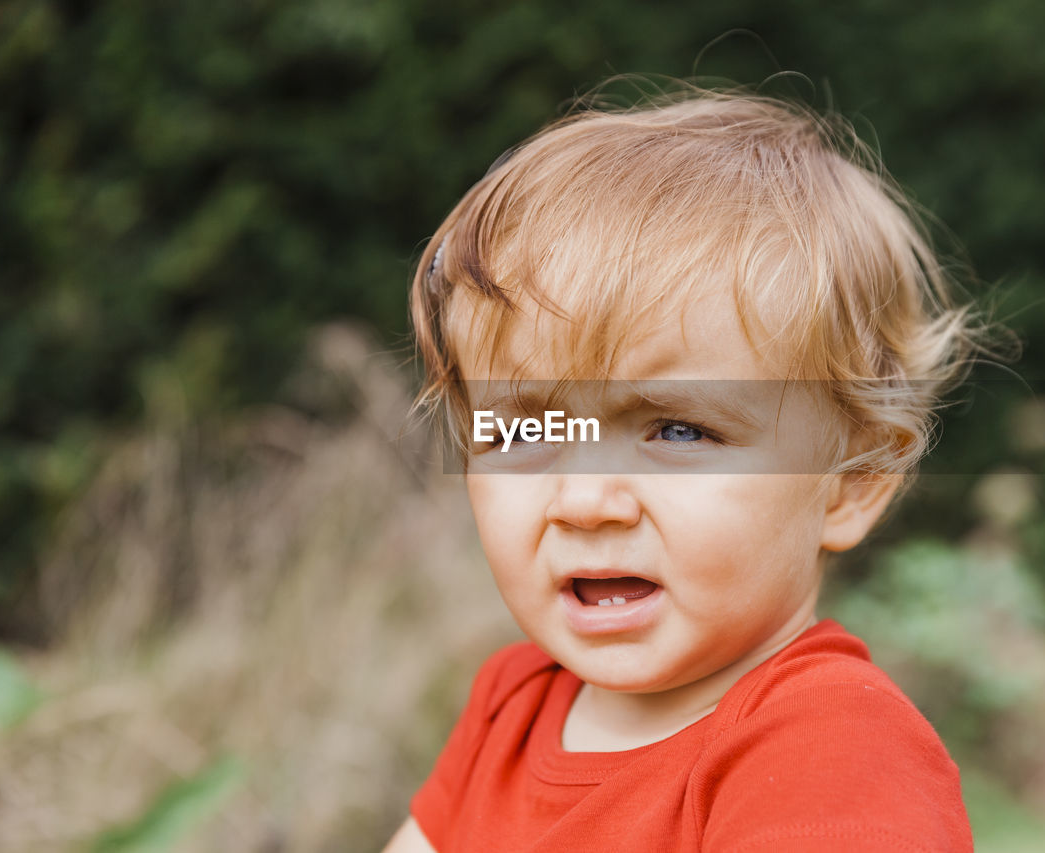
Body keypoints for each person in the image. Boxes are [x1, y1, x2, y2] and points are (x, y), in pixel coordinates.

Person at [383, 81, 999, 852]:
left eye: (678, 430)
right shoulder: (512, 704)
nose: (584, 500)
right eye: (530, 427)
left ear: (852, 481)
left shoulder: (830, 753)